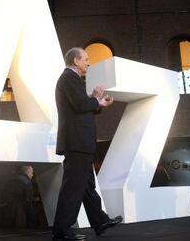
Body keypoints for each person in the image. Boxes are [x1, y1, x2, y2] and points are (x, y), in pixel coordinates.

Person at [52, 47, 122, 241]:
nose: (88, 63)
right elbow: (81, 105)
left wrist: (96, 100)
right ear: (76, 61)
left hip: (80, 143)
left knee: (86, 186)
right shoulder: (69, 78)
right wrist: (96, 100)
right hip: (77, 143)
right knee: (73, 187)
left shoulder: (71, 80)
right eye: (86, 59)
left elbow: (81, 106)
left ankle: (100, 221)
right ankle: (62, 231)